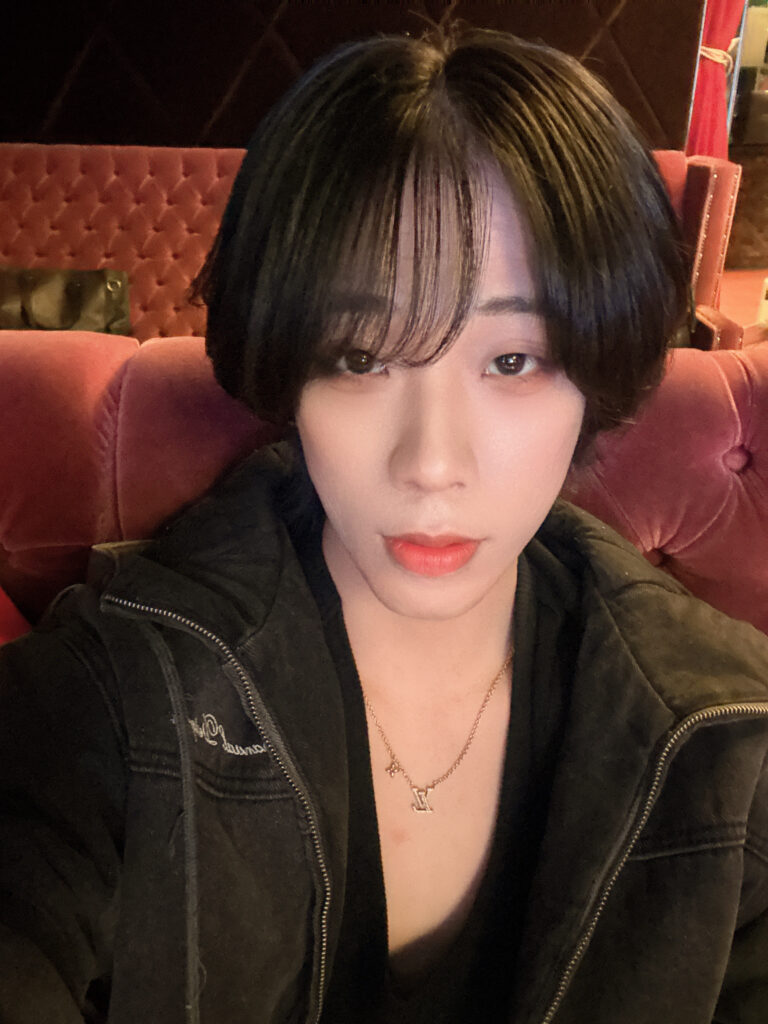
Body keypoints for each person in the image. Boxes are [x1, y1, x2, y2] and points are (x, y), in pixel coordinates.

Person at [1, 22, 767, 1024]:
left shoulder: (726, 742)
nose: (431, 465)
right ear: (292, 369)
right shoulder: (116, 696)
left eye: (512, 360)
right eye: (361, 358)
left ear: (596, 375)